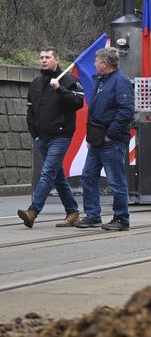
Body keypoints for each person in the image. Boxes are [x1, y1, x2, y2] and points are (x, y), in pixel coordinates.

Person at [17, 46, 85, 228]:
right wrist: (35, 135)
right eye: (41, 57)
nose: (44, 60)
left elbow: (78, 102)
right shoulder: (36, 83)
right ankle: (73, 212)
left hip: (60, 136)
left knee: (47, 172)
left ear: (56, 59)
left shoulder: (69, 80)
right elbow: (30, 111)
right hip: (42, 138)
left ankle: (33, 211)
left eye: (47, 57)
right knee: (57, 176)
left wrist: (59, 89)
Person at [74, 47, 134, 231]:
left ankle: (121, 218)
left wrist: (110, 134)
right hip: (98, 138)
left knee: (116, 180)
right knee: (88, 175)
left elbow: (126, 111)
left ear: (105, 64)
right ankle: (93, 215)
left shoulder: (120, 82)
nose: (94, 64)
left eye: (97, 61)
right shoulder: (102, 81)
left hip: (111, 140)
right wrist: (94, 135)